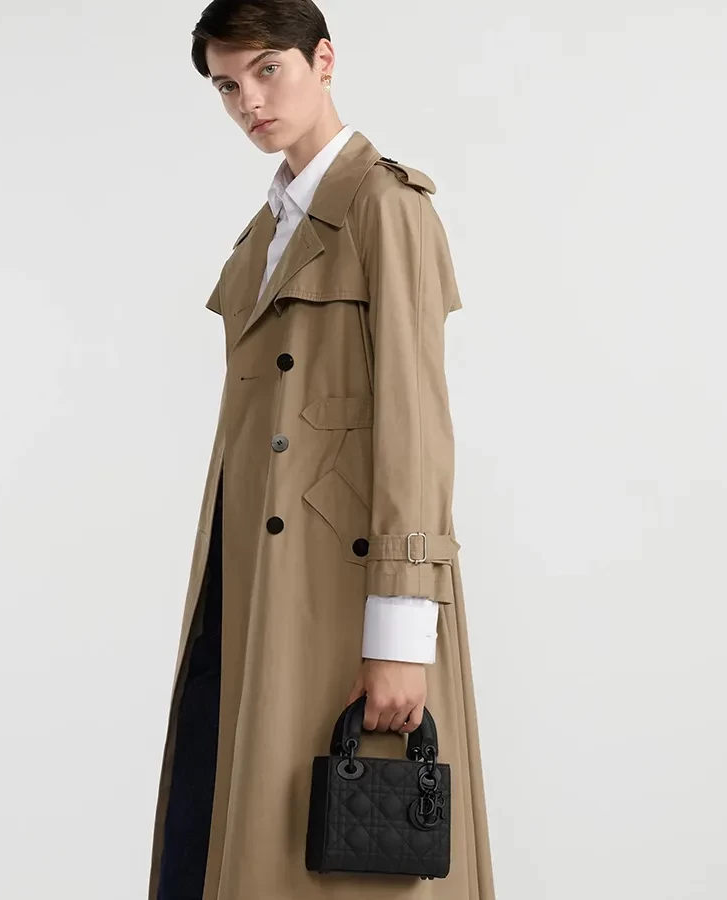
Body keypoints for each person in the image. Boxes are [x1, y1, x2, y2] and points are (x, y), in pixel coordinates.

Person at [148, 2, 496, 898]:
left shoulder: (386, 207)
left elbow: (416, 427)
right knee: (219, 829)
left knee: (338, 861)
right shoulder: (266, 229)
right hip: (251, 579)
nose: (249, 102)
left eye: (268, 70)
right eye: (227, 86)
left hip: (341, 591)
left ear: (324, 60)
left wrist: (401, 636)